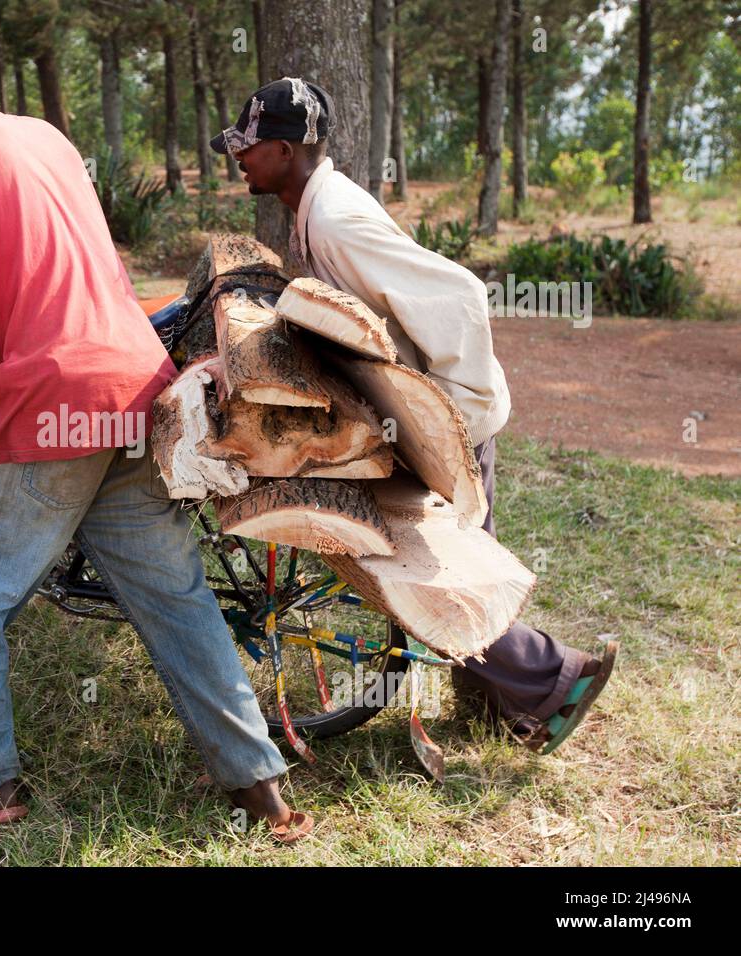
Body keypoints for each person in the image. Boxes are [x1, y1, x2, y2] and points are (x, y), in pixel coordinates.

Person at [0, 30, 310, 841]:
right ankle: (263, 792)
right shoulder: (47, 136)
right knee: (178, 603)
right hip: (134, 385)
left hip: (51, 402)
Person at [213, 77, 618, 754]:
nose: (239, 159)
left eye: (248, 148)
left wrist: (448, 415)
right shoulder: (312, 207)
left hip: (447, 421)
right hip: (422, 418)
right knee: (457, 564)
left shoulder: (338, 219)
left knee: (438, 580)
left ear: (284, 150)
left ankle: (558, 680)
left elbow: (458, 295)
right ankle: (507, 706)